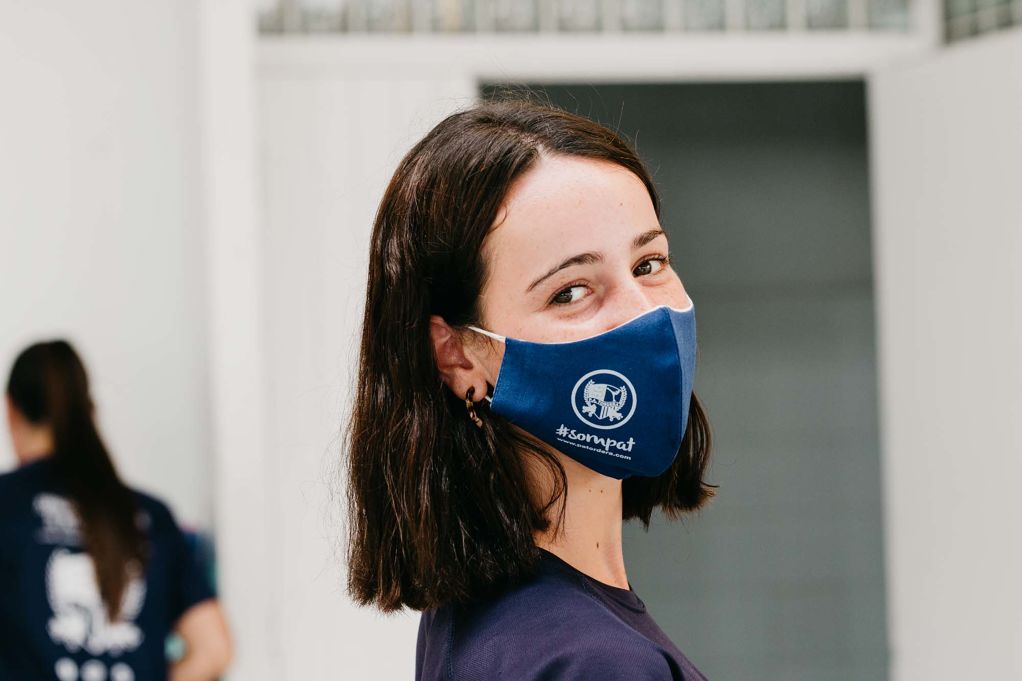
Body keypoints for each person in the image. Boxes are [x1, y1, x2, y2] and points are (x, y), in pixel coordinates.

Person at [344, 94, 718, 680]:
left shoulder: (484, 619)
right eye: (570, 291)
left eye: (648, 263)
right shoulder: (591, 662)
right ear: (460, 355)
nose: (643, 313)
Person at [0, 340, 233, 681]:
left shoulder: (6, 504)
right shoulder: (151, 516)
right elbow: (214, 650)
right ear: (88, 410)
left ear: (11, 411)